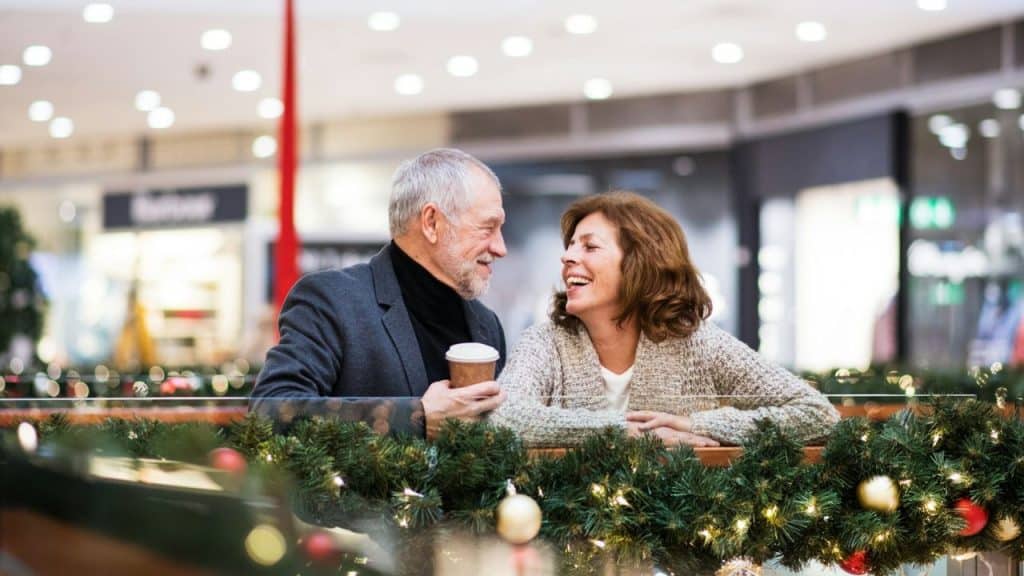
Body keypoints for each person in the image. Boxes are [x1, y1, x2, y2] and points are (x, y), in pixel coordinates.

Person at [489, 191, 839, 447]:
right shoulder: (545, 342)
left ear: (639, 263)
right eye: (570, 245)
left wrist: (698, 424)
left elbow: (816, 414)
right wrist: (629, 431)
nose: (567, 257)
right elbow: (504, 418)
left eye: (589, 247)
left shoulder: (699, 344)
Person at [252, 148, 508, 439]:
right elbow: (270, 412)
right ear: (431, 223)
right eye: (488, 228)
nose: (501, 248)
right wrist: (417, 417)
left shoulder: (487, 325)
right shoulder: (331, 301)